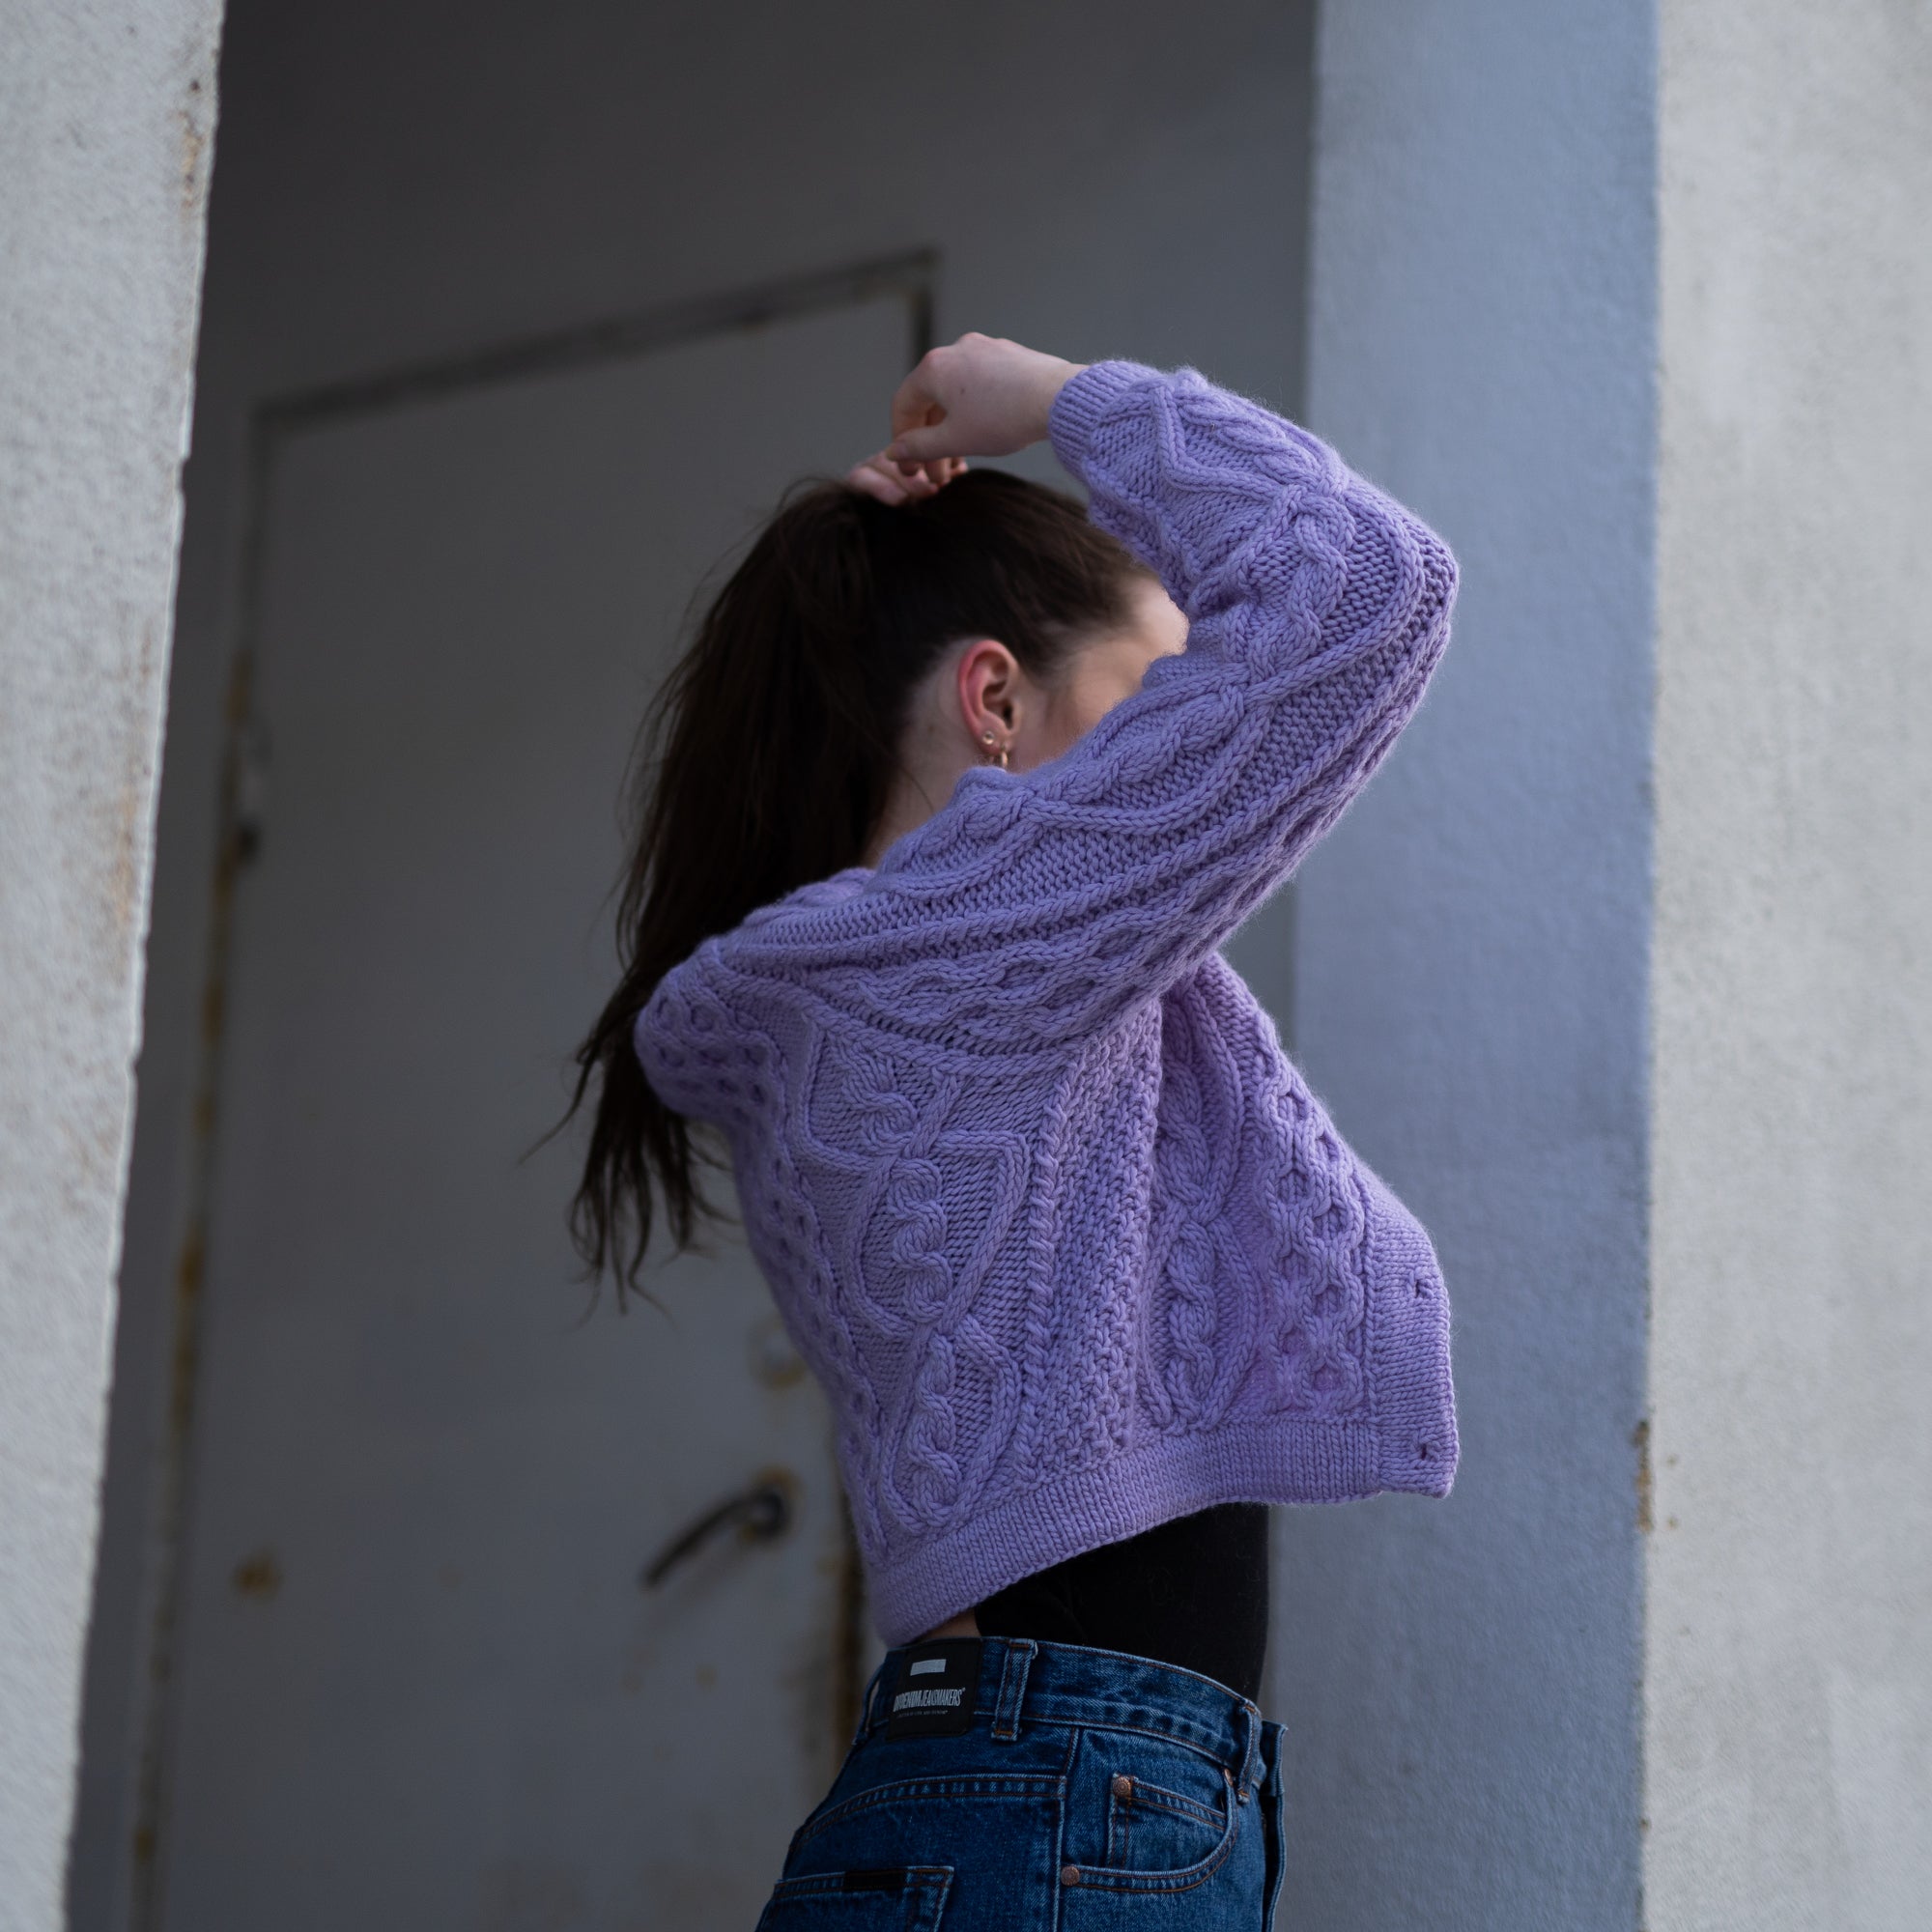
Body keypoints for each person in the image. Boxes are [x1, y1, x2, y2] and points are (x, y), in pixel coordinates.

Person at [567, 333, 1462, 1927]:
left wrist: (864, 569)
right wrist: (1060, 400)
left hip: (1005, 1794)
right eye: (1146, 692)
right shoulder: (957, 948)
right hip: (1073, 1803)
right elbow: (1371, 587)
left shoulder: (873, 978)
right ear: (996, 698)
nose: (1175, 741)